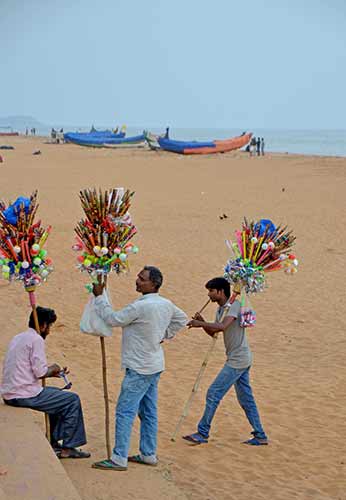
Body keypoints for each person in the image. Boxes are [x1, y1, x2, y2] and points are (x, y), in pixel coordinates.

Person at [91, 266, 187, 471]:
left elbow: (113, 319)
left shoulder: (141, 307)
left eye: (142, 279)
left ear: (154, 284)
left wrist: (100, 298)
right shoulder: (165, 304)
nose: (137, 281)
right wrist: (163, 335)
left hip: (139, 367)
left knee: (125, 410)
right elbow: (181, 319)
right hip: (154, 365)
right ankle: (148, 453)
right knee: (149, 411)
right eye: (138, 277)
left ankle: (119, 458)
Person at [182, 277, 268, 446]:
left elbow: (222, 327)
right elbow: (215, 333)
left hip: (238, 360)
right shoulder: (222, 309)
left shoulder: (233, 306)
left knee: (213, 393)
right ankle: (260, 435)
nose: (209, 295)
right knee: (246, 399)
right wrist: (204, 323)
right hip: (239, 358)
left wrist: (200, 323)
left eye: (211, 291)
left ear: (220, 291)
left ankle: (202, 432)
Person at [0, 307, 90, 459]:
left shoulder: (19, 337)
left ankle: (53, 441)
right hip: (23, 394)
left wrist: (54, 373)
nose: (49, 331)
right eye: (49, 327)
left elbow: (28, 369)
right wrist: (53, 367)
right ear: (43, 326)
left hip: (11, 392)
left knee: (57, 397)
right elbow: (40, 372)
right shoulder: (36, 340)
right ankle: (68, 447)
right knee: (72, 400)